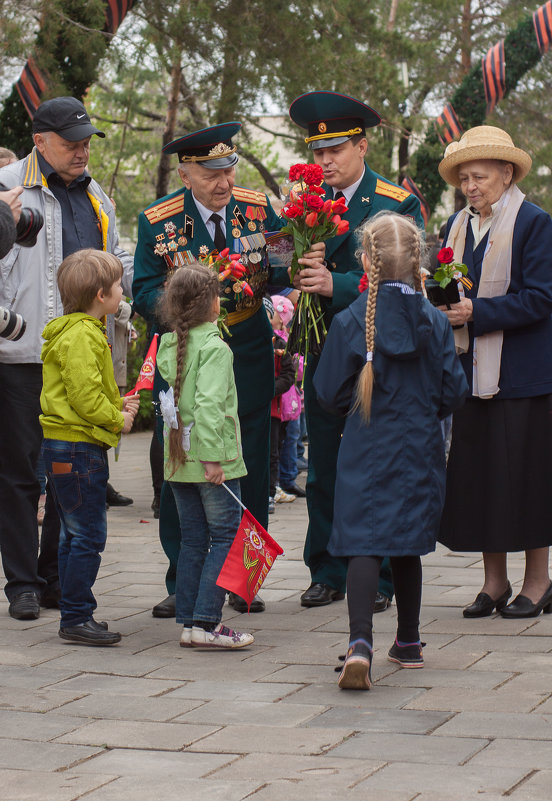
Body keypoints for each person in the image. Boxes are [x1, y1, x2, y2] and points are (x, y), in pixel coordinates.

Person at [133, 122, 325, 617]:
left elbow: (281, 269)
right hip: (185, 356)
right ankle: (185, 581)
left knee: (252, 465)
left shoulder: (258, 209)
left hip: (248, 354)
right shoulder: (160, 221)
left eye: (228, 169)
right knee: (182, 460)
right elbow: (143, 291)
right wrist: (189, 304)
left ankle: (242, 581)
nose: (223, 182)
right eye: (211, 172)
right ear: (186, 172)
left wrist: (305, 254)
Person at [314, 212, 467, 689]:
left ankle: (361, 643)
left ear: (366, 261)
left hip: (365, 444)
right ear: (418, 262)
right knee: (406, 541)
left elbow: (328, 394)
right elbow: (454, 392)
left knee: (363, 540)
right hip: (418, 447)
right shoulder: (434, 322)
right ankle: (409, 641)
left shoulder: (351, 320)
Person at [288, 90, 425, 610]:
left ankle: (385, 576)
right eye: (317, 153)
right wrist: (295, 266)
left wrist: (336, 284)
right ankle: (327, 568)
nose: (325, 163)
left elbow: (406, 278)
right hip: (323, 349)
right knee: (323, 463)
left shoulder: (395, 202)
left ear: (363, 146)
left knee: (380, 463)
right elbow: (281, 259)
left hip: (378, 352)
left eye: (336, 151)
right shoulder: (301, 200)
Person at [0, 96, 133, 620]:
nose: (81, 150)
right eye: (70, 141)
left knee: (69, 472)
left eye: (85, 141)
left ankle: (56, 576)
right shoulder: (8, 188)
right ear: (39, 141)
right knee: (19, 475)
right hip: (21, 351)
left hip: (81, 355)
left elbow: (116, 255)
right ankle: (22, 584)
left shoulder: (97, 194)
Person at [436, 126, 552, 619]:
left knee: (526, 479)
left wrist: (475, 314)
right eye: (464, 178)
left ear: (506, 174)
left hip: (524, 375)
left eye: (479, 176)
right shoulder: (455, 227)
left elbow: (541, 298)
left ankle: (539, 582)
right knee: (481, 478)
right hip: (470, 372)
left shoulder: (535, 223)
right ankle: (494, 582)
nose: (470, 187)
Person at [40, 249, 140, 645]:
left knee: (70, 533)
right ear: (101, 295)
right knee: (88, 536)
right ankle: (78, 616)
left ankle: (73, 611)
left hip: (63, 448)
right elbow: (84, 399)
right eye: (118, 286)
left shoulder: (71, 330)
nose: (121, 292)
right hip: (79, 450)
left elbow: (80, 391)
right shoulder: (84, 334)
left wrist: (116, 403)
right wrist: (118, 419)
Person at [156, 262, 254, 649]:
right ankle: (208, 623)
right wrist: (214, 458)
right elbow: (209, 405)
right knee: (226, 537)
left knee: (194, 540)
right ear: (213, 304)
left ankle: (191, 623)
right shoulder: (215, 348)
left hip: (179, 461)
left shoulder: (172, 347)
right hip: (212, 459)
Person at [268, 298, 297, 512]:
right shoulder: (252, 342)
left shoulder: (280, 345)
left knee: (273, 451)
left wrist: (271, 389)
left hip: (273, 409)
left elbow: (288, 374)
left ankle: (270, 490)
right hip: (252, 408)